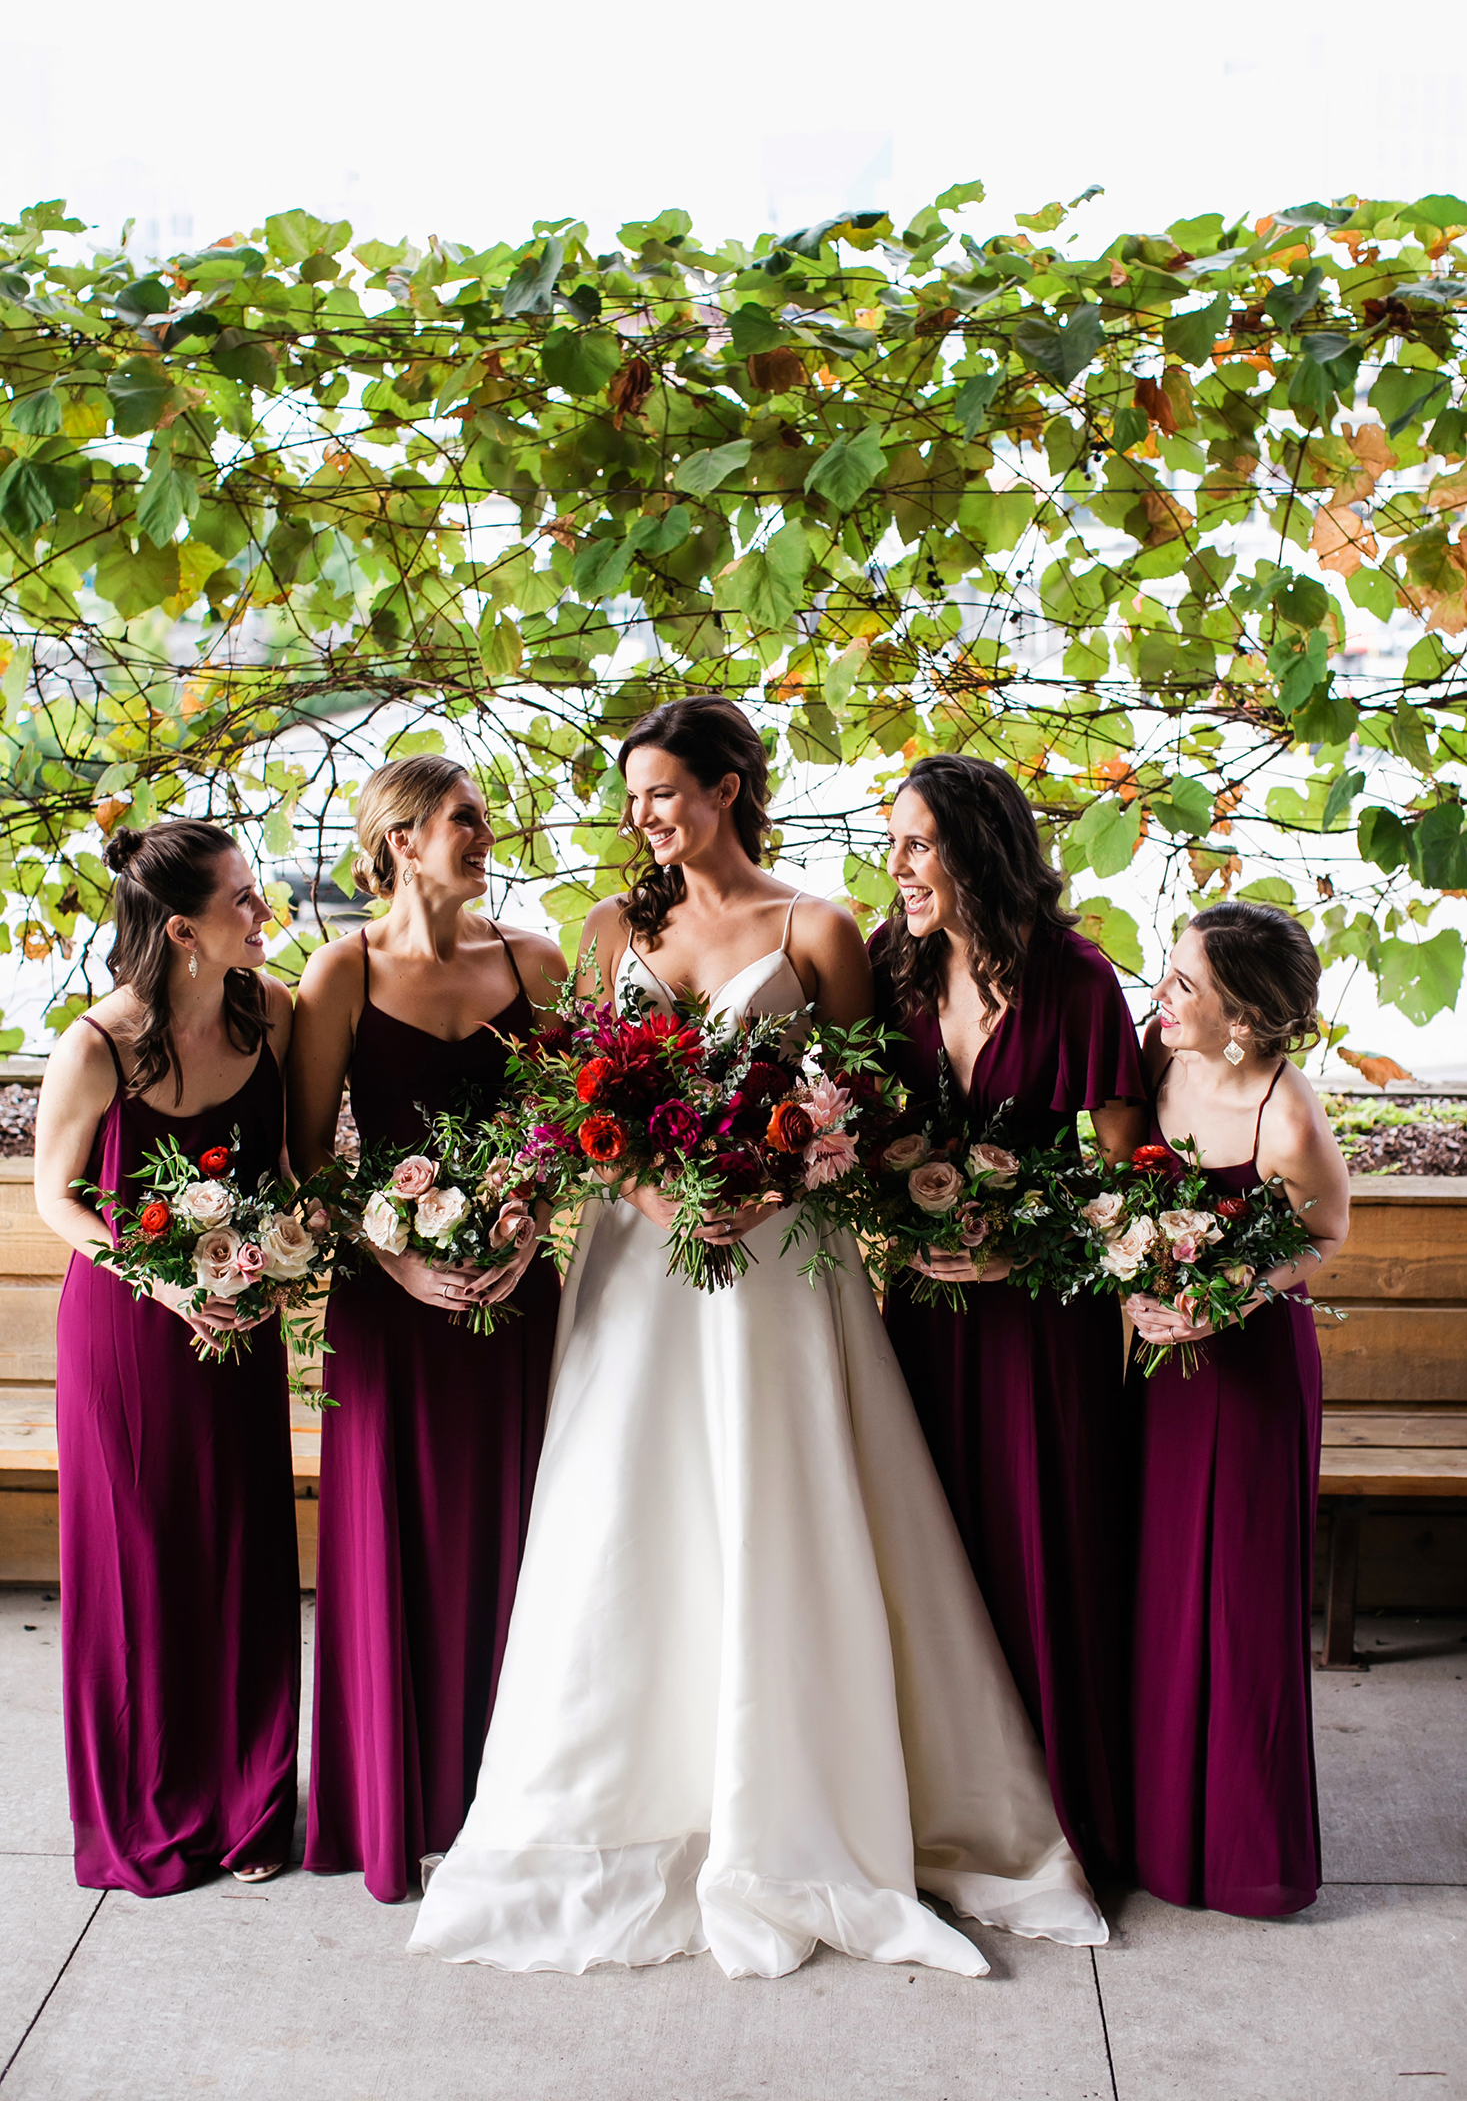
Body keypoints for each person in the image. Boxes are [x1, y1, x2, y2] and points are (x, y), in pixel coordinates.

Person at [409, 695, 1106, 1981]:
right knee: (626, 1518)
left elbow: (871, 1107)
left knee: (785, 1512)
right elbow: (575, 1106)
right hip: (637, 1271)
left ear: (730, 787)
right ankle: (607, 1812)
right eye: (634, 799)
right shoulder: (610, 928)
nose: (644, 818)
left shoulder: (817, 927)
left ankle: (804, 1815)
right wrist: (655, 1190)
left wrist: (773, 1184)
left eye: (665, 792)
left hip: (781, 1266)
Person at [288, 755, 564, 1904]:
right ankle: (394, 1799)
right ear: (402, 839)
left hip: (515, 1292)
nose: (482, 836)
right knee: (395, 1537)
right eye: (464, 821)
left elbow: (563, 1129)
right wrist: (396, 1254)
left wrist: (523, 1223)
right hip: (388, 1309)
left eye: (485, 819)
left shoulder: (535, 960)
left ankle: (513, 1797)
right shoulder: (341, 971)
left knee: (518, 1539)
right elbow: (309, 1158)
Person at [873, 755, 1147, 1885]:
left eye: (918, 843)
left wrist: (1033, 1236)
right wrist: (898, 1219)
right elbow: (852, 1141)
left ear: (978, 850)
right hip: (924, 1319)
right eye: (893, 843)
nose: (896, 866)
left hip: (1044, 1330)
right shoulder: (892, 972)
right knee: (927, 1555)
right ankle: (939, 1809)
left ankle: (1063, 1810)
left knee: (1048, 1549)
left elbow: (1135, 1176)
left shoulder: (1077, 981)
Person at [34, 820, 300, 1894]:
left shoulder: (273, 1014)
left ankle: (250, 1802)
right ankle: (147, 1802)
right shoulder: (97, 1043)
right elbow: (59, 1195)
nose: (263, 911)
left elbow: (290, 1166)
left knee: (242, 1548)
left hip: (243, 1319)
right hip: (130, 1326)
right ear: (183, 930)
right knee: (140, 1559)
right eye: (242, 898)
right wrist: (168, 1281)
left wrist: (273, 1259)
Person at [1126, 902, 1349, 1917]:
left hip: (1250, 1372)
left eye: (1185, 986)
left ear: (1247, 1019)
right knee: (1163, 1597)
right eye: (1167, 975)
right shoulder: (1155, 1058)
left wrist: (1231, 1294)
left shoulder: (1287, 1115)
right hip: (1154, 1372)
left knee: (1242, 1605)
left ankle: (1248, 1852)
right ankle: (1158, 1836)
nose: (1161, 998)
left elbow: (1325, 1233)